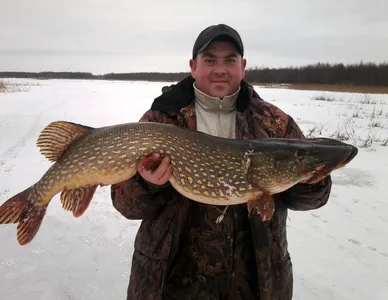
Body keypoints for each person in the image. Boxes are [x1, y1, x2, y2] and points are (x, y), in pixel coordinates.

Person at [111, 24, 332, 300]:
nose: (220, 68)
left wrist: (313, 180)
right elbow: (125, 205)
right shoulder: (160, 120)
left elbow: (308, 200)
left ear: (243, 66)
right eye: (210, 59)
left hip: (256, 284)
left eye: (230, 60)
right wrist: (147, 185)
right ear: (193, 66)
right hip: (170, 282)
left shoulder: (273, 123)